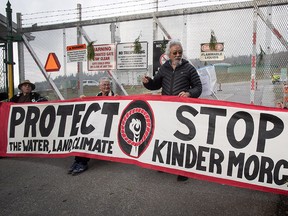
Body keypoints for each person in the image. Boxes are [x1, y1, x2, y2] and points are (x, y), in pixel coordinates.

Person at [142, 39, 202, 181]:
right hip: (166, 109)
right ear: (169, 54)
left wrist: (189, 93)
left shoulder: (189, 68)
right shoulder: (164, 68)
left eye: (180, 52)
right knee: (164, 137)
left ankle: (183, 170)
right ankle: (164, 164)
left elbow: (198, 87)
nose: (178, 55)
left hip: (182, 111)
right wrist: (148, 82)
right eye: (175, 52)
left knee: (182, 140)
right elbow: (155, 84)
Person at [68, 77, 115, 175]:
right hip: (97, 123)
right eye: (104, 85)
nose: (106, 86)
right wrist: (84, 99)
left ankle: (83, 162)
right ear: (100, 87)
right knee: (81, 135)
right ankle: (78, 160)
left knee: (89, 138)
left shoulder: (115, 96)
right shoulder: (97, 96)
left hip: (108, 127)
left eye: (108, 84)